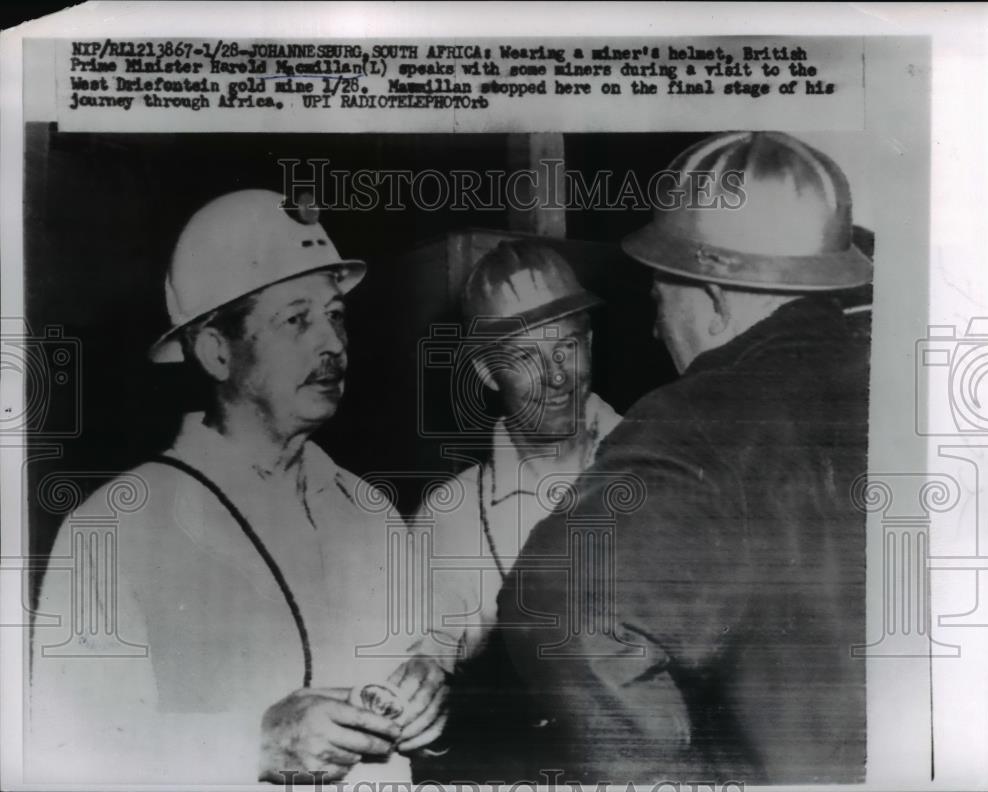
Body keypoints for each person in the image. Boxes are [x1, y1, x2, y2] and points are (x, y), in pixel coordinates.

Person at [29, 190, 445, 785]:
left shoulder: (370, 511)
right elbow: (63, 760)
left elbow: (407, 690)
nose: (332, 344)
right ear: (216, 351)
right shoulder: (116, 528)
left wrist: (426, 694)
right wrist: (248, 747)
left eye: (335, 315)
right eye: (296, 319)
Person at [495, 132, 873, 784]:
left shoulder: (694, 425)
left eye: (659, 299)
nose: (655, 327)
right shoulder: (896, 382)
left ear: (716, 298)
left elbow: (553, 607)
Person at [411, 241, 621, 779]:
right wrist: (426, 664)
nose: (555, 377)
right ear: (486, 371)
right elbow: (440, 626)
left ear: (591, 344)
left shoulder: (657, 468)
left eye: (567, 347)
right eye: (526, 356)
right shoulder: (451, 515)